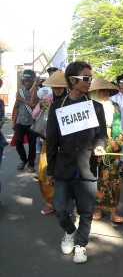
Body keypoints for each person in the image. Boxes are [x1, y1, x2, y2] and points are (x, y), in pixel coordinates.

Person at [46, 61, 107, 264]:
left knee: (87, 212)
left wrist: (100, 145)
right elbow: (52, 140)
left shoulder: (96, 107)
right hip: (64, 168)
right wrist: (51, 170)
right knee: (61, 209)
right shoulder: (57, 107)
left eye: (91, 78)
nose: (90, 82)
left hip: (88, 168)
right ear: (73, 81)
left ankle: (81, 245)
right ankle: (70, 232)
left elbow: (102, 135)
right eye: (86, 78)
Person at [88, 77, 123, 224]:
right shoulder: (88, 106)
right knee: (96, 179)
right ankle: (98, 208)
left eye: (107, 90)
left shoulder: (114, 106)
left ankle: (113, 211)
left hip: (112, 145)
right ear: (95, 91)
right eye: (102, 90)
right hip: (93, 145)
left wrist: (116, 142)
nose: (105, 93)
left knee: (113, 179)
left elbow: (118, 125)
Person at [36, 71, 68, 215]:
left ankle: (65, 205)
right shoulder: (47, 99)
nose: (57, 89)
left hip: (66, 145)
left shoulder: (71, 101)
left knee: (65, 176)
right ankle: (49, 202)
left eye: (60, 86)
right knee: (45, 174)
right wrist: (42, 106)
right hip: (47, 143)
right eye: (54, 87)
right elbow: (34, 115)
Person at [13, 69, 39, 173]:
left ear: (33, 81)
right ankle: (24, 159)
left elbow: (33, 103)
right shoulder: (19, 92)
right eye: (26, 81)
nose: (27, 82)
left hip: (31, 123)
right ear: (23, 81)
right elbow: (16, 107)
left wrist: (36, 85)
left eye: (29, 81)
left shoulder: (36, 92)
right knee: (18, 142)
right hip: (20, 122)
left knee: (32, 145)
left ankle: (31, 164)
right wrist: (14, 121)